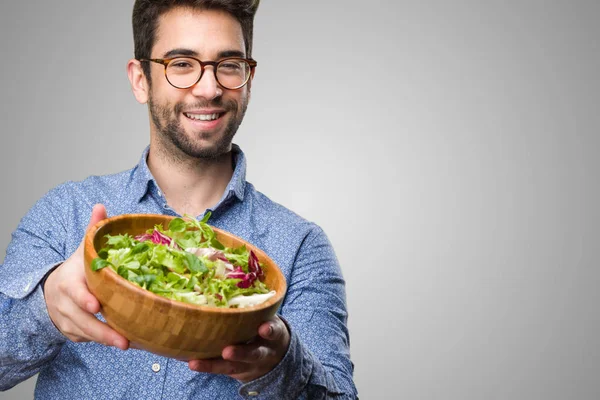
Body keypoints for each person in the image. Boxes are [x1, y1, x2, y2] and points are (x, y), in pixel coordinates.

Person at [0, 0, 357, 399]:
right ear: (140, 80)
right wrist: (44, 311)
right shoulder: (64, 213)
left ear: (249, 79)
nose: (209, 88)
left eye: (229, 64)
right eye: (182, 64)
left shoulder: (300, 247)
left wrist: (280, 365)